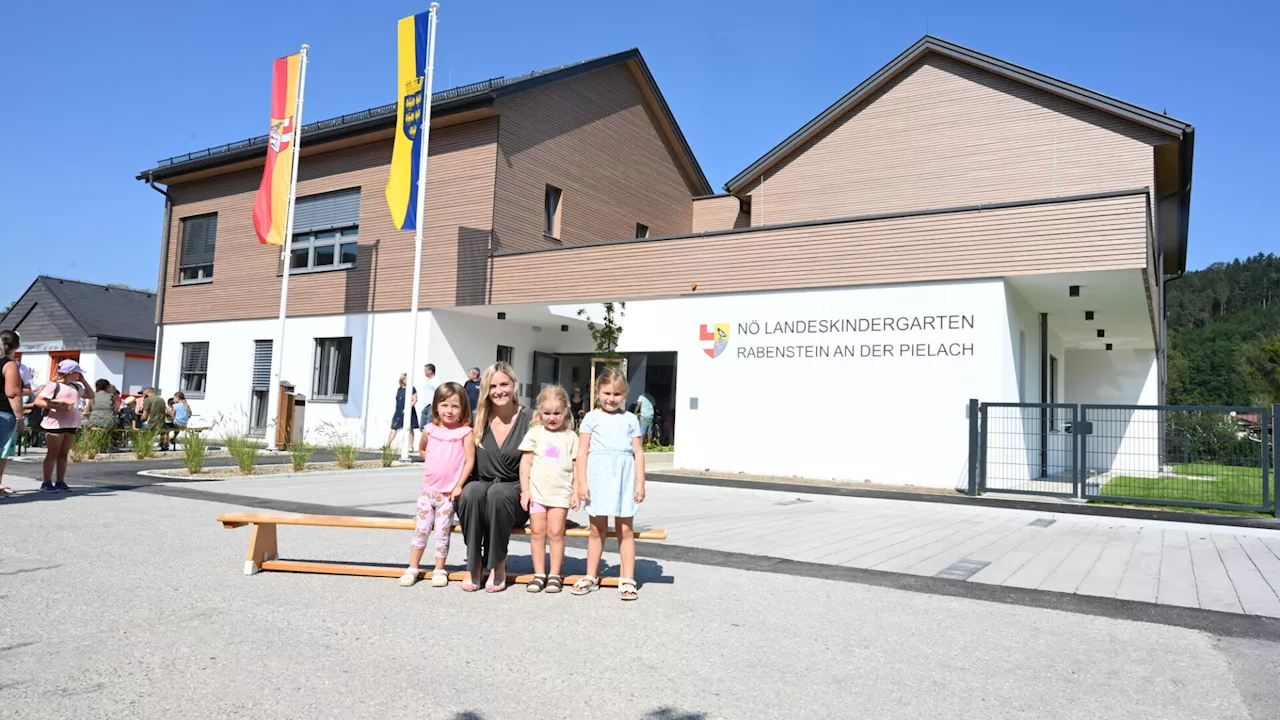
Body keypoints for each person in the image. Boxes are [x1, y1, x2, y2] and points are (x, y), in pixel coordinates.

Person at [456, 362, 531, 593]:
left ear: (514, 386)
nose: (499, 391)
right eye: (493, 386)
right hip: (481, 493)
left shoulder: (531, 419)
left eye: (504, 384)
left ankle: (498, 563)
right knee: (472, 491)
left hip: (514, 495)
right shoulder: (476, 419)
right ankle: (475, 562)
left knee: (498, 493)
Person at [572, 366, 646, 600]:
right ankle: (591, 575)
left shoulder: (631, 420)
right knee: (596, 529)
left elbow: (639, 452)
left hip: (624, 479)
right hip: (598, 478)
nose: (611, 399)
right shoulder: (591, 418)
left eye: (616, 394)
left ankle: (627, 578)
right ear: (597, 392)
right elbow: (582, 452)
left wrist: (640, 483)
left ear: (625, 394)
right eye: (606, 393)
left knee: (626, 530)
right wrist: (581, 482)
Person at [399, 382, 474, 589]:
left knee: (442, 531)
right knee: (421, 529)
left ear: (463, 409)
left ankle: (439, 568)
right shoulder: (430, 430)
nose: (449, 411)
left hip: (448, 494)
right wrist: (433, 462)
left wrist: (459, 484)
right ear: (436, 408)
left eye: (455, 406)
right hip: (428, 491)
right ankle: (413, 567)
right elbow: (423, 450)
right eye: (444, 405)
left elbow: (469, 461)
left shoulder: (465, 433)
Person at [518, 385, 579, 594]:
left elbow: (577, 465)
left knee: (555, 533)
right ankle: (539, 574)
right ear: (539, 413)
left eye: (557, 413)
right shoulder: (535, 433)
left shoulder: (571, 436)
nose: (552, 418)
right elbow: (525, 464)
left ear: (565, 412)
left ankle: (554, 574)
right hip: (536, 493)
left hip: (560, 494)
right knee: (537, 532)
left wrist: (576, 491)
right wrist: (525, 491)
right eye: (547, 413)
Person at [34, 359, 92, 492]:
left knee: (63, 454)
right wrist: (55, 405)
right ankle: (47, 482)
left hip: (71, 423)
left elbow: (90, 395)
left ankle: (60, 480)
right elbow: (39, 401)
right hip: (55, 423)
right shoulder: (54, 386)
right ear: (70, 373)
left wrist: (83, 381)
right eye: (77, 373)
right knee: (52, 453)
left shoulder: (75, 386)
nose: (78, 375)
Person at [0, 330, 25, 497]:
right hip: (3, 411)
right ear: (17, 346)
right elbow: (13, 393)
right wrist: (20, 418)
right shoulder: (9, 365)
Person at [386, 374, 418, 449]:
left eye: (407, 379)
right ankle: (387, 445)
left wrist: (408, 407)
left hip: (408, 410)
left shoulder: (412, 388)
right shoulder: (399, 389)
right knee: (394, 427)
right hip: (398, 411)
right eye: (404, 379)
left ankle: (410, 446)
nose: (406, 380)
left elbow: (415, 400)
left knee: (410, 428)